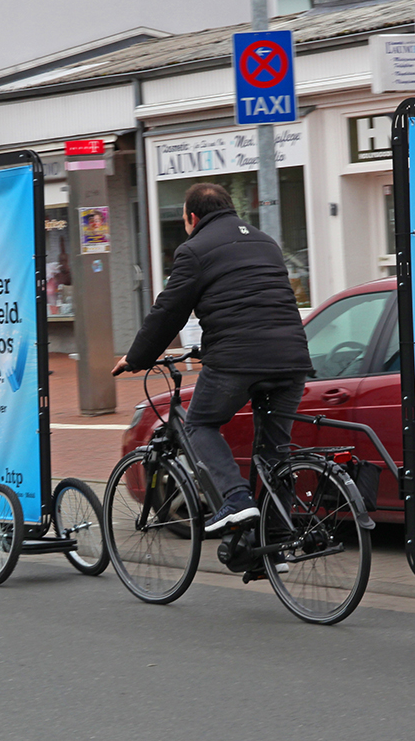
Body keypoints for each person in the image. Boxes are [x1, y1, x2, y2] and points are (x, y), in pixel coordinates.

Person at [112, 183, 312, 534]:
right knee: (274, 452)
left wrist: (137, 356)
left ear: (192, 217)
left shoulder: (194, 249)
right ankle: (277, 543)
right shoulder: (266, 241)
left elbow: (168, 312)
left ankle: (235, 499)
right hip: (292, 358)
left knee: (200, 425)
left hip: (238, 359)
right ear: (229, 207)